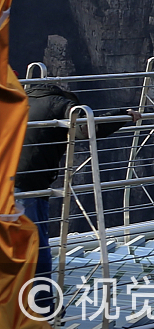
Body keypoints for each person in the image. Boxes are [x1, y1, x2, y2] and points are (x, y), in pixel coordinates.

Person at [17, 84, 140, 278]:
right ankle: (41, 304)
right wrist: (121, 116)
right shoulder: (61, 105)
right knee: (35, 249)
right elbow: (87, 127)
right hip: (28, 182)